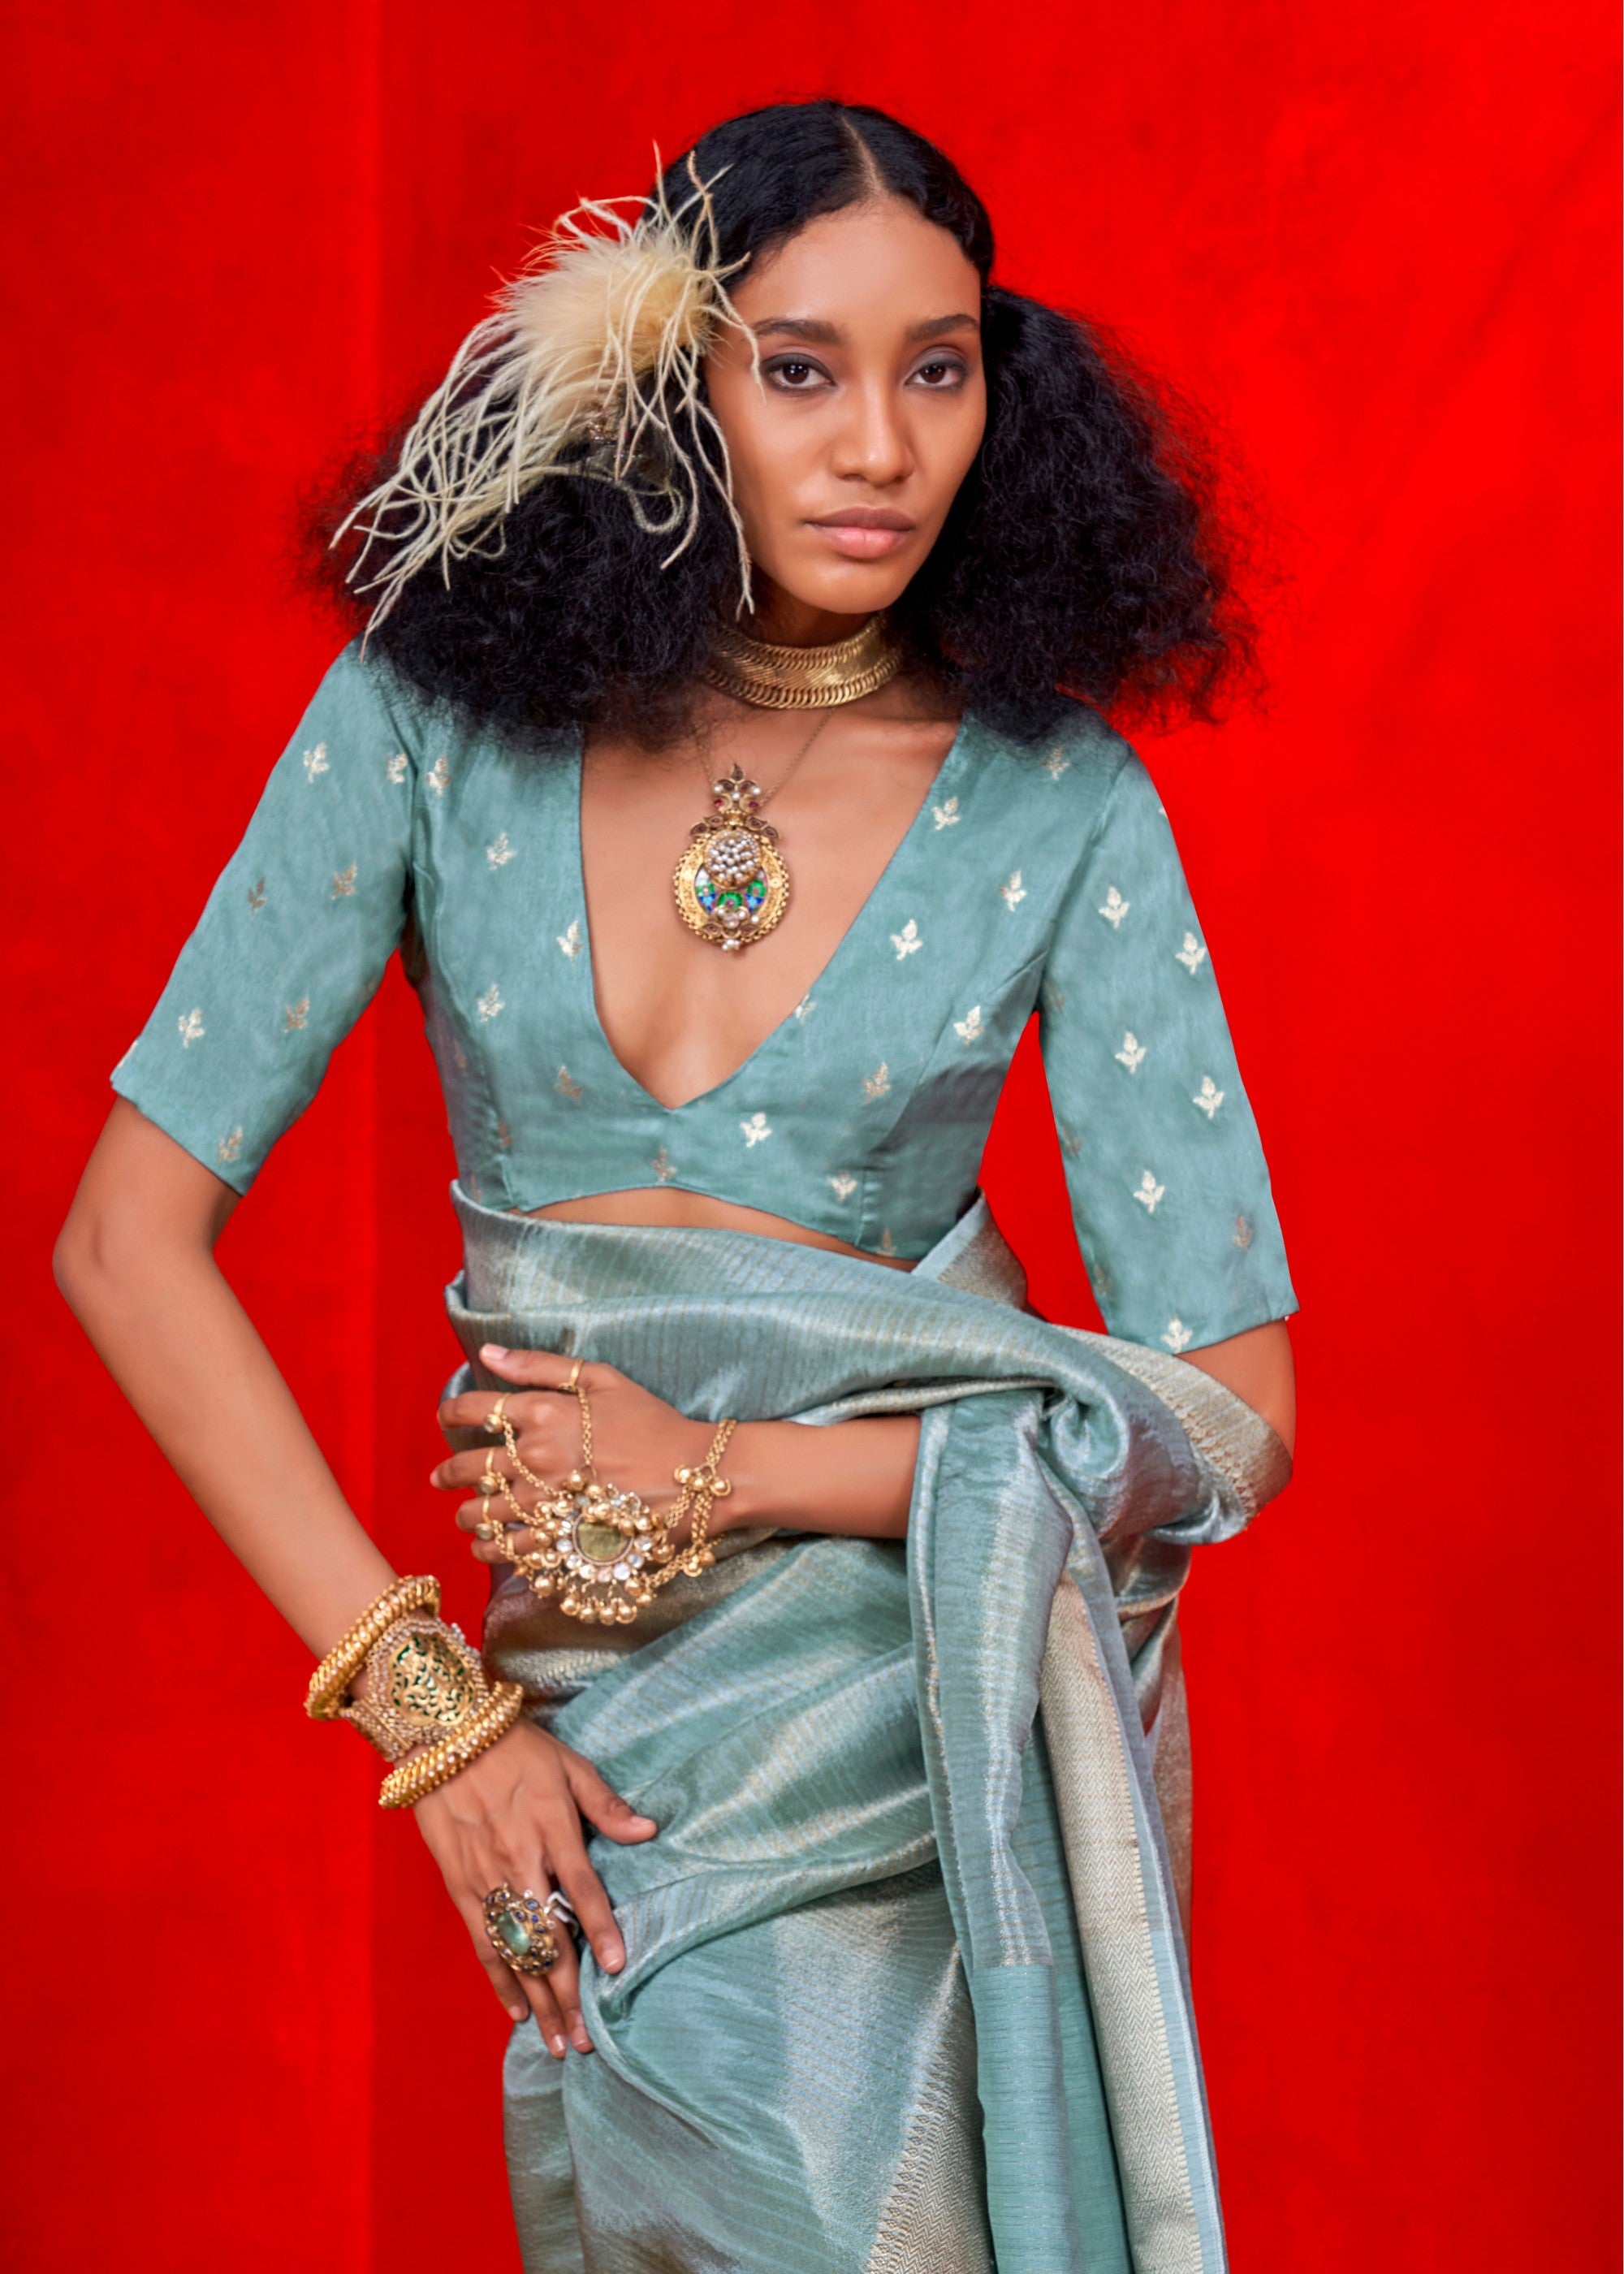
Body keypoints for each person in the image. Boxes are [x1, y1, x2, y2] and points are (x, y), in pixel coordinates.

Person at [57, 98, 1296, 2274]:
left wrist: (740, 1474)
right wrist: (432, 1718)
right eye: (799, 369)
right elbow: (122, 1243)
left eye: (938, 369)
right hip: (598, 1731)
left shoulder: (1058, 803)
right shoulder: (437, 725)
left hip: (914, 1727)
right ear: (666, 377)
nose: (880, 446)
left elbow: (1235, 1414)